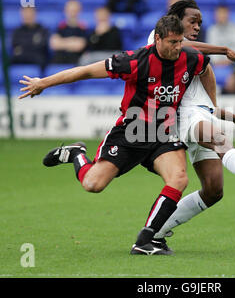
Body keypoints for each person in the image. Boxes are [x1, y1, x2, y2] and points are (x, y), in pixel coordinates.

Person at [19, 15, 211, 256]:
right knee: (93, 185)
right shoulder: (134, 61)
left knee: (179, 178)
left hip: (163, 134)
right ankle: (76, 153)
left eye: (180, 41)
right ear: (158, 39)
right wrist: (43, 83)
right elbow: (86, 71)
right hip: (130, 133)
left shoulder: (191, 57)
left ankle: (145, 240)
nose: (177, 47)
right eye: (172, 42)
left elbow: (206, 69)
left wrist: (211, 108)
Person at [147, 0, 235, 251]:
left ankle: (153, 233)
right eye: (192, 21)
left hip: (200, 116)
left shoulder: (195, 58)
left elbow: (204, 103)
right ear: (176, 21)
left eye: (200, 23)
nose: (197, 26)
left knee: (213, 190)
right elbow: (186, 46)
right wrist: (224, 49)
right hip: (180, 117)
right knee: (219, 138)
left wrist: (230, 116)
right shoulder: (161, 37)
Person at [49, 0, 88, 64]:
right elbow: (54, 44)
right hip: (59, 61)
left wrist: (62, 42)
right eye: (70, 10)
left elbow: (79, 46)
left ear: (79, 11)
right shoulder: (60, 27)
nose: (72, 13)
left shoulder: (83, 29)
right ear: (65, 11)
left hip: (76, 62)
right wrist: (73, 41)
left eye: (74, 11)